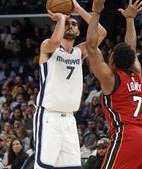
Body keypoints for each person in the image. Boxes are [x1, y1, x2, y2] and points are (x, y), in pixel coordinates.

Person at [34, 0, 106, 168]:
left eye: (74, 24)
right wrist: (60, 18)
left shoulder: (79, 52)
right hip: (49, 117)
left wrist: (78, 9)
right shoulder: (48, 47)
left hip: (69, 119)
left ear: (79, 30)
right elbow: (55, 41)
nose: (70, 25)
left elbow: (101, 33)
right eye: (67, 23)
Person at [86, 0, 142, 168]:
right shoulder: (137, 74)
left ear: (112, 60)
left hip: (128, 137)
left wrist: (95, 13)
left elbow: (90, 47)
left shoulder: (110, 78)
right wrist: (130, 19)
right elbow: (131, 50)